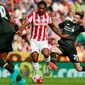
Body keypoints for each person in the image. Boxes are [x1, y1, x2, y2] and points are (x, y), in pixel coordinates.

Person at [17, 1, 69, 77]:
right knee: (35, 57)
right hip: (34, 40)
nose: (41, 10)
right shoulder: (32, 15)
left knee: (46, 54)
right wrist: (20, 30)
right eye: (39, 8)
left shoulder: (48, 17)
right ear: (37, 8)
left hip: (43, 40)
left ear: (45, 9)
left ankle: (48, 66)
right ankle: (37, 75)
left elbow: (53, 27)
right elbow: (25, 24)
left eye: (42, 8)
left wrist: (62, 35)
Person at [0, 2, 26, 85]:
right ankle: (20, 80)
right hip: (10, 30)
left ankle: (13, 71)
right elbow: (11, 20)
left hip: (2, 32)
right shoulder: (2, 6)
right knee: (3, 57)